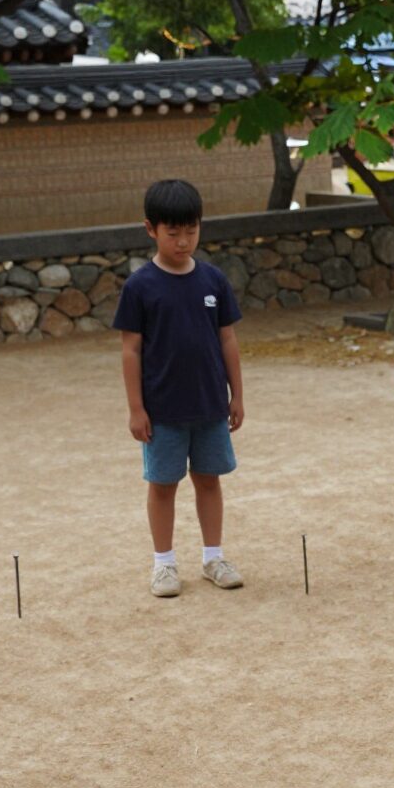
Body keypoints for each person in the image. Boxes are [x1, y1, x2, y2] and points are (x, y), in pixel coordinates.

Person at [115, 178, 245, 598]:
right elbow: (131, 350)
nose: (184, 241)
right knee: (163, 485)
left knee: (209, 480)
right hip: (163, 411)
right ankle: (164, 564)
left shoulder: (213, 281)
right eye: (173, 232)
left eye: (191, 230)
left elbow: (228, 339)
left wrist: (237, 395)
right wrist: (136, 408)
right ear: (150, 229)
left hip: (210, 406)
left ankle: (213, 558)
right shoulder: (139, 287)